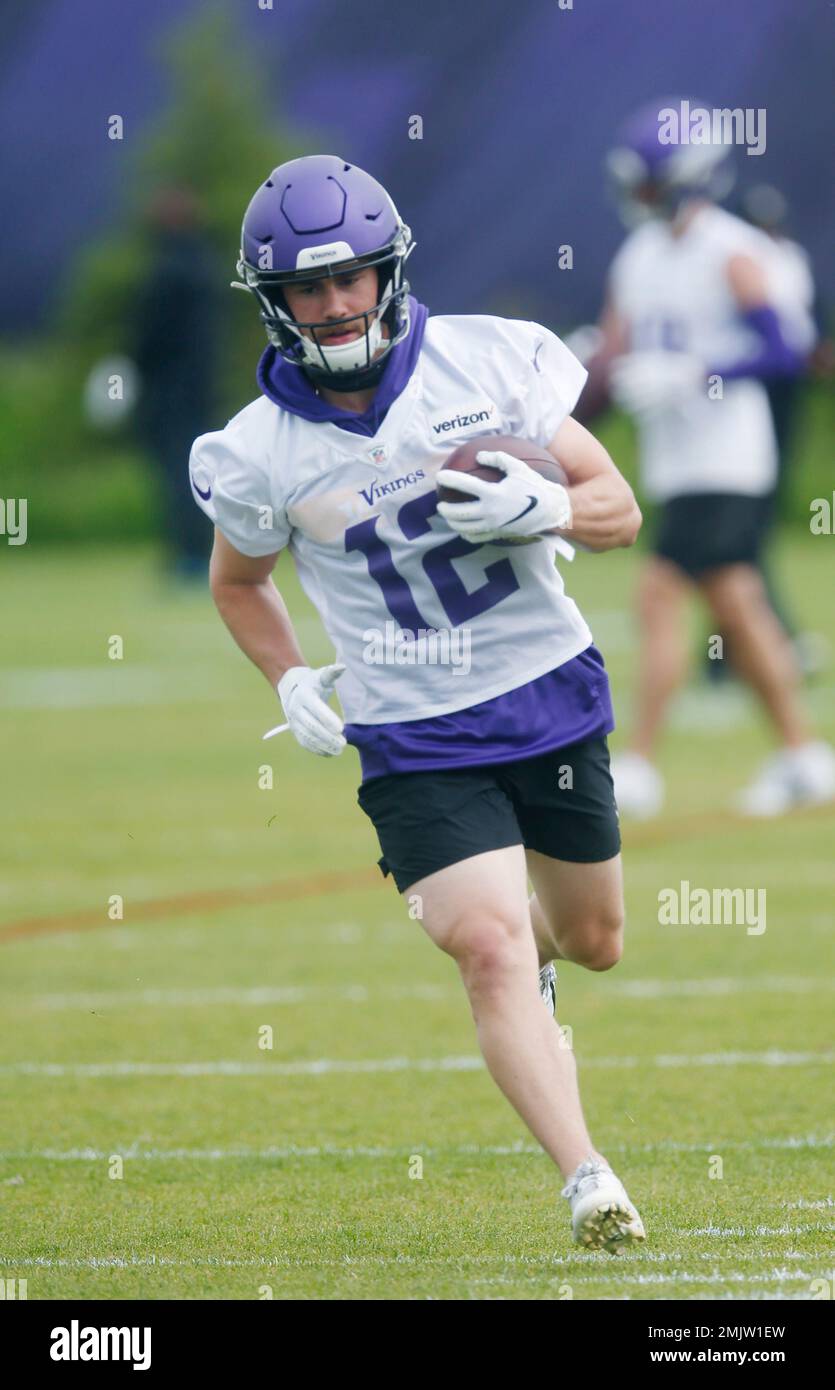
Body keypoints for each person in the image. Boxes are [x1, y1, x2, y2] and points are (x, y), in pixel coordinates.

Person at [189, 155, 645, 1252]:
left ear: (388, 271)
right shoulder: (256, 452)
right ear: (274, 301)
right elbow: (238, 582)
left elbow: (618, 508)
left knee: (592, 939)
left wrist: (545, 504)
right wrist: (290, 674)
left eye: (350, 278)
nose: (335, 304)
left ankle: (534, 956)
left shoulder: (490, 358)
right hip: (412, 730)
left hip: (547, 692)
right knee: (484, 945)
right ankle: (587, 1176)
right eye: (308, 288)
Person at [598, 101, 835, 818]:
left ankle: (636, 764)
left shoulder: (729, 249)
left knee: (660, 594)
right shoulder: (637, 256)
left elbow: (786, 348)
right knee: (736, 604)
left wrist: (695, 372)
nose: (638, 198)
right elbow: (612, 356)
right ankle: (803, 755)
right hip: (677, 460)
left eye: (648, 184)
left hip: (727, 457)